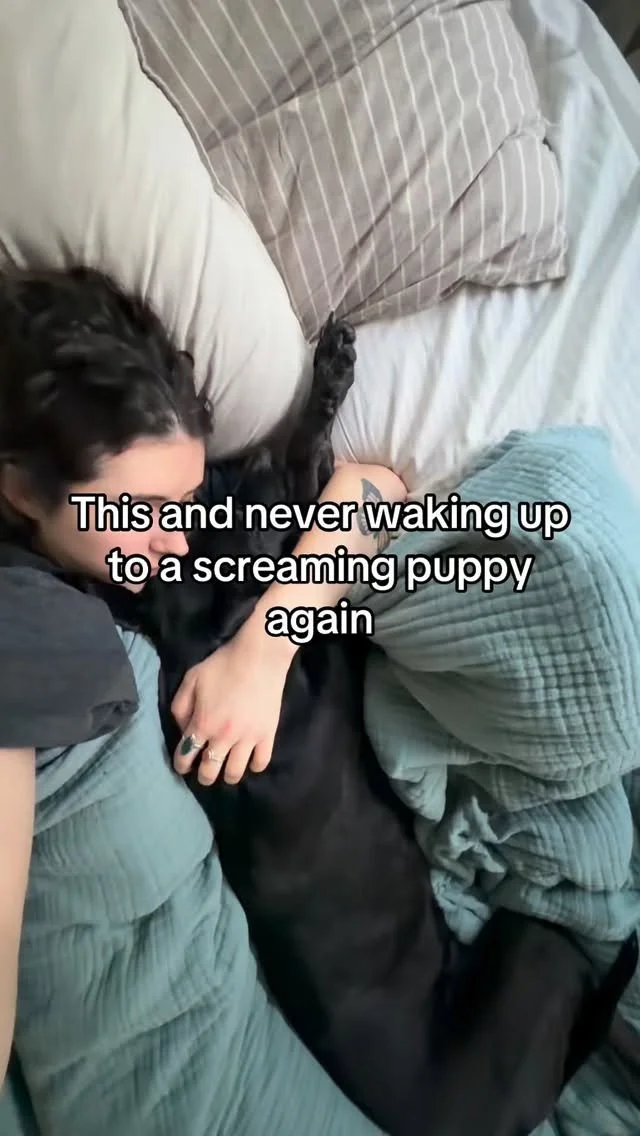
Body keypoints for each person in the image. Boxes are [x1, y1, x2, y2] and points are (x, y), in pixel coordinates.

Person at [0, 264, 407, 1085]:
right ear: (22, 490)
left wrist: (265, 651)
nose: (179, 539)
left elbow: (376, 489)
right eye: (143, 513)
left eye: (183, 501)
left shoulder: (148, 528)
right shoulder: (27, 614)